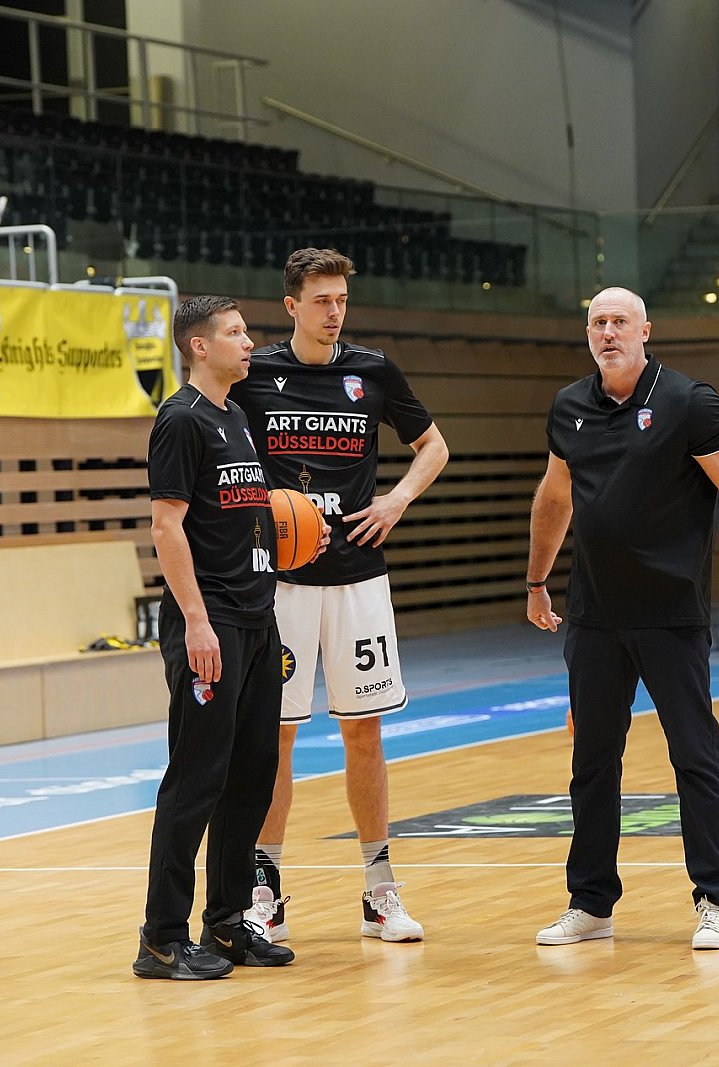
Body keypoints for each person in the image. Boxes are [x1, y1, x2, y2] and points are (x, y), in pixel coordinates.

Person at [525, 286, 719, 952]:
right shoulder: (569, 406)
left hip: (671, 614)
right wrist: (536, 582)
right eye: (598, 322)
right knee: (592, 763)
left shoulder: (688, 403)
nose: (608, 332)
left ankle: (716, 900)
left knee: (695, 757)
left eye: (620, 321)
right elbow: (555, 497)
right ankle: (591, 903)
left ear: (645, 331)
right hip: (595, 617)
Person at [229, 247, 449, 944]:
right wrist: (257, 517)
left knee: (365, 731)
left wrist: (397, 500)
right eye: (321, 301)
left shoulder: (372, 371)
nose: (334, 313)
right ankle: (264, 891)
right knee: (275, 735)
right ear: (291, 305)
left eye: (341, 301)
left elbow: (434, 446)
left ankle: (380, 892)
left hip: (359, 575)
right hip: (281, 581)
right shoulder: (254, 375)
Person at [134, 294, 327, 980]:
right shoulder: (182, 419)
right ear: (200, 346)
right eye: (236, 333)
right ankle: (161, 938)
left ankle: (225, 922)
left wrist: (295, 537)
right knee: (197, 779)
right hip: (208, 621)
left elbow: (245, 516)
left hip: (256, 617)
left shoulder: (235, 416)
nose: (250, 342)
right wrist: (195, 621)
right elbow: (167, 526)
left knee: (252, 776)